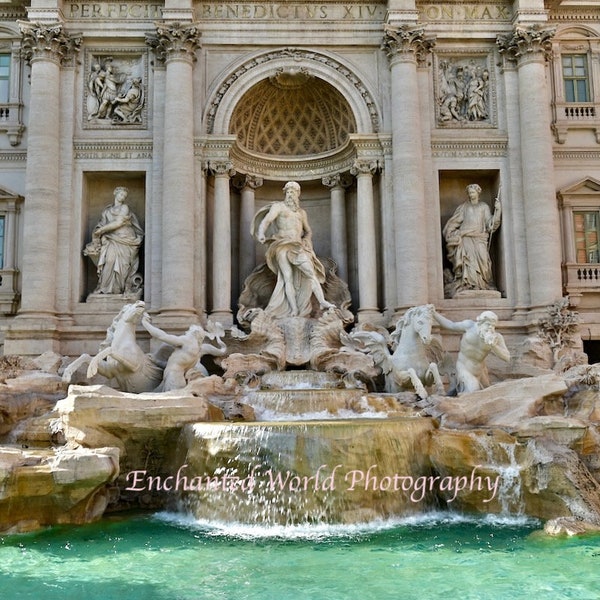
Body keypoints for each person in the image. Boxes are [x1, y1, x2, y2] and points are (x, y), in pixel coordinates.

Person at [251, 181, 335, 318]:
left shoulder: (301, 213)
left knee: (311, 273)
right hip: (282, 245)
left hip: (298, 246)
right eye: (289, 192)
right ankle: (294, 309)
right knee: (287, 278)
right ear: (285, 193)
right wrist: (261, 233)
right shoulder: (278, 207)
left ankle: (322, 301)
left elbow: (308, 231)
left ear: (298, 194)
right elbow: (266, 221)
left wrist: (307, 240)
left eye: (294, 192)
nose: (291, 194)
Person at [443, 183, 501, 297]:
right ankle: (469, 284)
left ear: (478, 193)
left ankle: (483, 284)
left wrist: (498, 211)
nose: (471, 194)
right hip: (466, 238)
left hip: (480, 238)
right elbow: (454, 222)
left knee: (483, 261)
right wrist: (451, 233)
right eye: (469, 193)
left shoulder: (484, 207)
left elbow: (490, 224)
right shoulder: (464, 207)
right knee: (468, 262)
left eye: (473, 192)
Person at [140, 316, 227, 392]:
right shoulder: (201, 349)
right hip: (180, 378)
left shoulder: (186, 341)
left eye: (188, 331)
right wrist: (218, 339)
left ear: (194, 333)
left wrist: (146, 324)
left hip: (173, 377)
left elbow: (162, 336)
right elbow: (222, 351)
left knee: (170, 401)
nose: (186, 333)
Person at [433, 309, 510, 394]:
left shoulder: (496, 337)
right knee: (473, 390)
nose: (490, 328)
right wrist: (434, 314)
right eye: (488, 325)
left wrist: (494, 346)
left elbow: (507, 357)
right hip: (464, 367)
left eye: (493, 326)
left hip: (481, 371)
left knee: (487, 394)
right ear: (481, 322)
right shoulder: (469, 326)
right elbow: (451, 325)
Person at [84, 186, 144, 295]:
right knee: (109, 261)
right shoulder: (107, 211)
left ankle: (118, 290)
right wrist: (98, 231)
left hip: (125, 239)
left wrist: (102, 230)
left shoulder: (124, 207)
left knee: (123, 266)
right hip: (111, 240)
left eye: (124, 196)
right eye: (121, 194)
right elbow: (101, 224)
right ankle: (105, 288)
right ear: (115, 194)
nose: (122, 197)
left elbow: (119, 223)